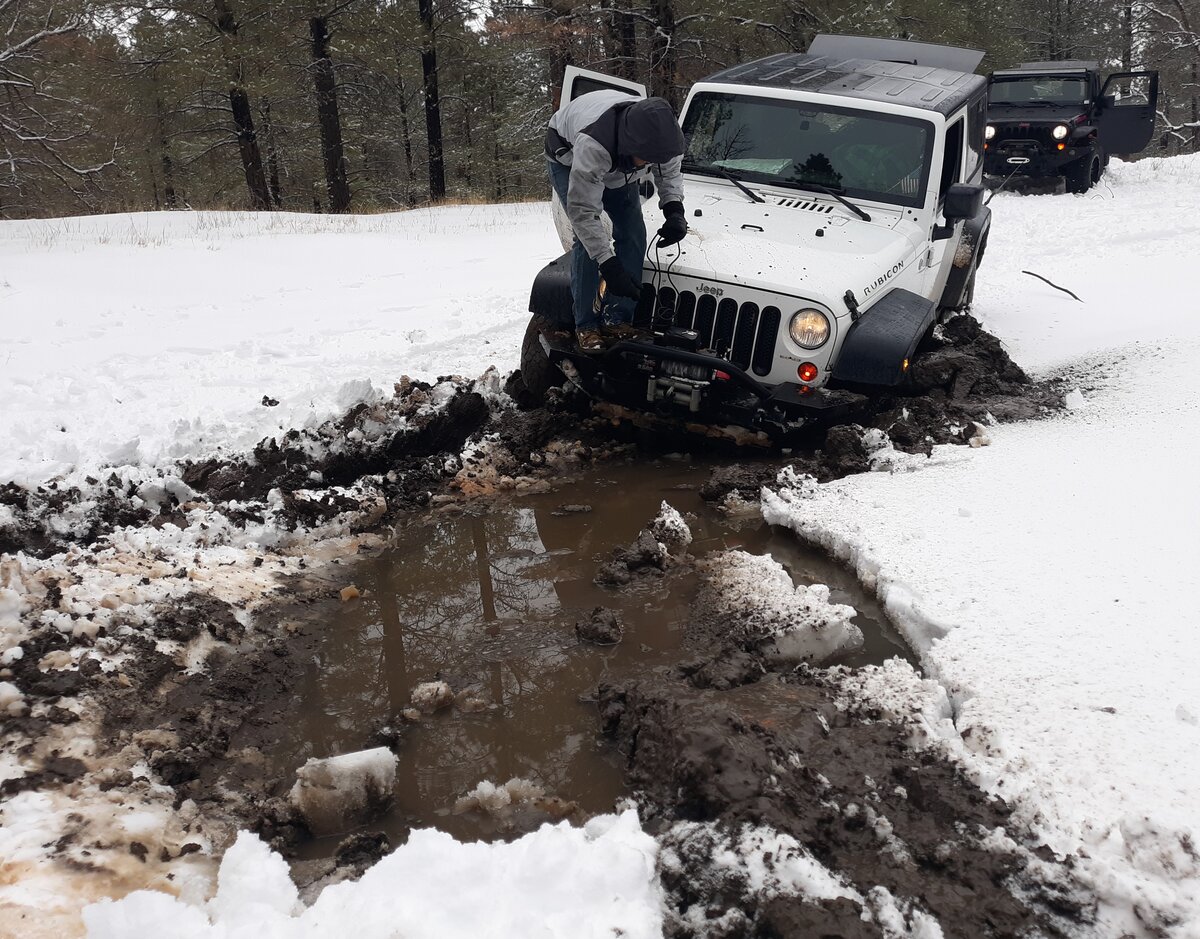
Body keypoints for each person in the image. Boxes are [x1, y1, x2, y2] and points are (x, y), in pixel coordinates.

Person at [545, 89, 688, 351]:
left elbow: (669, 174)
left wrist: (674, 210)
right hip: (567, 155)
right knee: (587, 240)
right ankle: (586, 326)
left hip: (620, 166)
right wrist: (609, 264)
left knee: (633, 233)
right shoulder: (594, 145)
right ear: (630, 144)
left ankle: (617, 319)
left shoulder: (667, 137)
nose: (650, 163)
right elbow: (584, 213)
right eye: (646, 158)